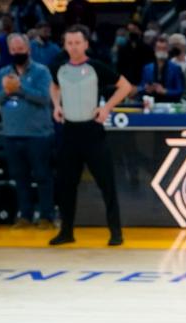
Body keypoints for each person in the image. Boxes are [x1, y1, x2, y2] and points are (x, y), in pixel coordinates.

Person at [49, 25, 134, 246]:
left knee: (106, 183)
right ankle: (67, 232)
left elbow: (125, 86)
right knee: (67, 185)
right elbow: (54, 85)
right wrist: (56, 105)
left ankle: (116, 232)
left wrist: (106, 109)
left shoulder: (96, 67)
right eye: (70, 43)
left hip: (92, 132)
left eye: (78, 43)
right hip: (69, 132)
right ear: (64, 45)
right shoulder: (59, 67)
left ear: (86, 44)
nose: (74, 47)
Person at [0, 34, 55, 229]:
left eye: (20, 49)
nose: (17, 52)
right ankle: (25, 216)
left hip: (38, 135)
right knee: (20, 178)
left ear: (28, 49)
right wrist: (7, 91)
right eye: (13, 50)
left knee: (43, 176)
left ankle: (47, 216)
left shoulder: (41, 71)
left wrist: (20, 88)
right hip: (11, 134)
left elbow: (44, 98)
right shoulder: (3, 72)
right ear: (9, 51)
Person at [139, 36, 184, 102]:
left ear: (168, 49)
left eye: (164, 48)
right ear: (154, 49)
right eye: (159, 48)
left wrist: (165, 91)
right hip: (152, 104)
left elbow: (180, 90)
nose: (161, 51)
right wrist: (146, 88)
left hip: (169, 105)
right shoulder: (147, 68)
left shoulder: (176, 68)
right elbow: (141, 86)